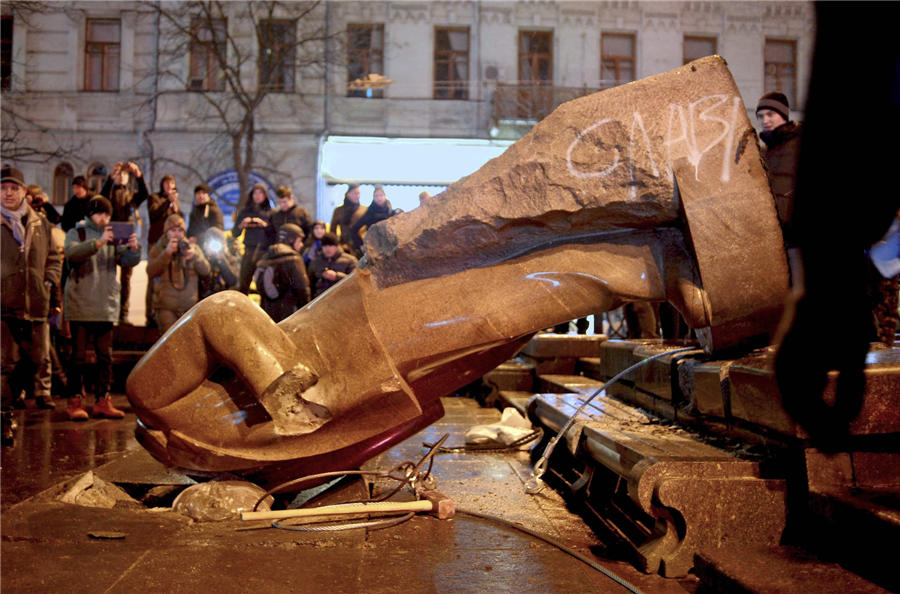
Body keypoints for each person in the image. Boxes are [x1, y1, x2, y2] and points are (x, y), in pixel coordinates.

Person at [63, 196, 141, 420]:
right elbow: (72, 254)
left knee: (105, 357)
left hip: (105, 305)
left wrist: (134, 250)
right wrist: (98, 243)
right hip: (80, 304)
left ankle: (102, 400)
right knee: (77, 357)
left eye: (107, 214)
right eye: (99, 213)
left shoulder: (112, 235)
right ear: (90, 214)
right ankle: (75, 400)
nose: (104, 218)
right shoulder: (76, 233)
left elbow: (126, 261)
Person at [1, 166, 62, 443]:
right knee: (6, 365)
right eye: (3, 188)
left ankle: (6, 405)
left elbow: (53, 257)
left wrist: (49, 282)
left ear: (24, 191)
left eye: (14, 188)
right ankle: (4, 415)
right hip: (4, 305)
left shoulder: (40, 223)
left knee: (35, 360)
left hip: (35, 303)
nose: (8, 193)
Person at [100, 161, 149, 324]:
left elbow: (145, 194)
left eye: (124, 175)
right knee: (109, 274)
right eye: (119, 175)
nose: (121, 177)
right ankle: (108, 311)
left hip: (127, 234)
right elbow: (101, 196)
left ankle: (124, 313)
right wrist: (110, 176)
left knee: (126, 278)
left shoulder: (132, 194)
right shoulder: (110, 193)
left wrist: (139, 174)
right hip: (112, 232)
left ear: (128, 178)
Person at [147, 214, 210, 333]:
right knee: (170, 343)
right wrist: (166, 253)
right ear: (167, 232)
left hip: (189, 308)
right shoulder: (158, 249)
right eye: (173, 230)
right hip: (166, 307)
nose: (177, 234)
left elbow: (206, 270)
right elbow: (151, 272)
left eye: (180, 230)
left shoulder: (192, 248)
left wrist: (194, 257)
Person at [756, 92, 802, 250]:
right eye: (761, 117)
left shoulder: (799, 144)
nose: (765, 121)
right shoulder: (765, 152)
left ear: (783, 114)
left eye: (770, 114)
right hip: (774, 239)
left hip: (797, 241)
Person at [145, 174, 183, 326]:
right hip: (156, 243)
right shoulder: (155, 198)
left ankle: (169, 313)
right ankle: (150, 314)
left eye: (172, 184)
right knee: (153, 278)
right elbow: (153, 214)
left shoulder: (175, 202)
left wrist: (175, 207)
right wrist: (168, 201)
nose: (169, 186)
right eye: (166, 183)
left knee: (170, 278)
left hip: (172, 244)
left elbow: (178, 221)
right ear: (162, 185)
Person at [253, 223, 310, 322]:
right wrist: (307, 312)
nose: (301, 245)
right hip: (289, 313)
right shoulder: (294, 259)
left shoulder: (267, 256)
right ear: (291, 240)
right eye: (299, 241)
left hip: (267, 312)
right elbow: (302, 288)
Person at [233, 183, 275, 293]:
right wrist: (242, 225)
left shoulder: (271, 212)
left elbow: (274, 234)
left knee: (264, 285)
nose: (258, 196)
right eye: (255, 193)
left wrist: (264, 225)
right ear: (251, 195)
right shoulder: (245, 212)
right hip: (248, 251)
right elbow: (234, 233)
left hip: (264, 252)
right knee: (243, 284)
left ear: (265, 195)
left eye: (261, 193)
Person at [308, 231, 357, 298]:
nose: (327, 249)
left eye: (331, 246)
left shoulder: (350, 260)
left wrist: (337, 276)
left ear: (337, 246)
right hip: (321, 301)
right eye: (325, 246)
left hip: (343, 299)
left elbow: (356, 281)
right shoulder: (316, 261)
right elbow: (310, 283)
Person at [198, 226, 239, 300]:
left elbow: (232, 281)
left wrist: (221, 260)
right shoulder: (201, 258)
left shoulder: (231, 259)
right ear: (205, 244)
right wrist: (207, 258)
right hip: (204, 299)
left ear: (224, 245)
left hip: (225, 298)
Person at [349, 185, 392, 255]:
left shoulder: (391, 212)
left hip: (389, 246)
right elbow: (354, 229)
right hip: (374, 247)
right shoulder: (370, 213)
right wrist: (361, 245)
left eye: (381, 195)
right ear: (373, 198)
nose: (379, 198)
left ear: (385, 196)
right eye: (376, 196)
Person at [329, 183, 366, 256]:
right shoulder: (339, 211)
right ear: (348, 194)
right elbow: (332, 230)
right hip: (344, 246)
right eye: (355, 193)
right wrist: (336, 244)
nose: (357, 196)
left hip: (361, 246)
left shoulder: (364, 210)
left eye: (358, 193)